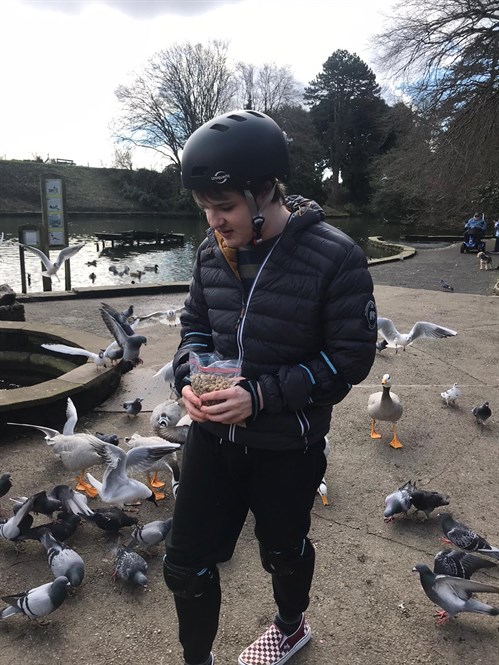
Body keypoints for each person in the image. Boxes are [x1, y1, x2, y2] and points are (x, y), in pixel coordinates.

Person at [163, 109, 377, 665]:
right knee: (183, 566)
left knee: (282, 551)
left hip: (288, 445)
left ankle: (289, 625)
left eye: (225, 207)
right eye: (206, 209)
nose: (214, 222)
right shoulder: (213, 251)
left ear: (265, 192)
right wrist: (189, 379)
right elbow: (193, 329)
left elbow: (349, 360)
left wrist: (259, 397)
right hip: (212, 438)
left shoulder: (337, 256)